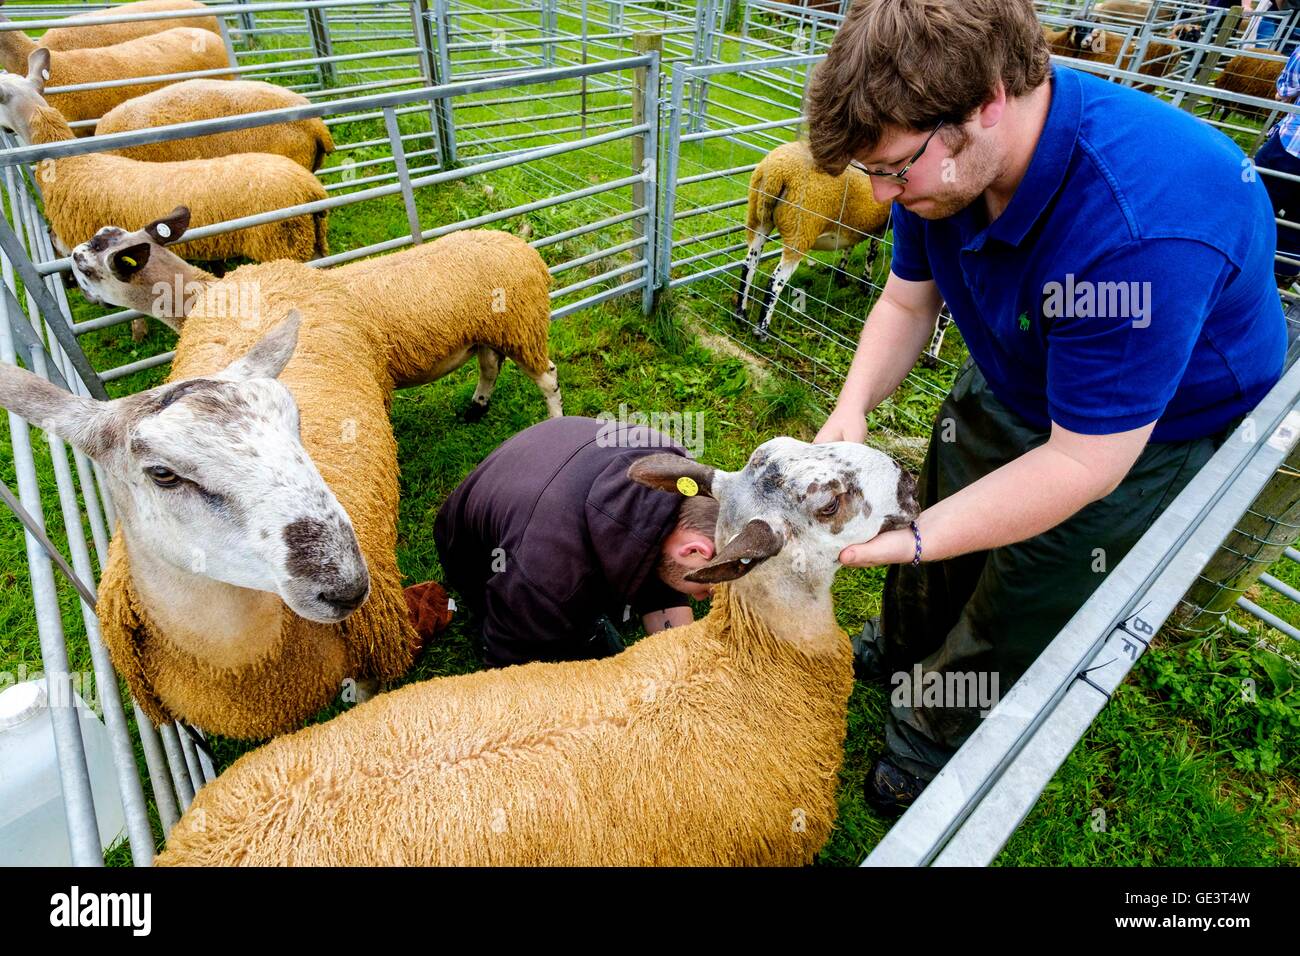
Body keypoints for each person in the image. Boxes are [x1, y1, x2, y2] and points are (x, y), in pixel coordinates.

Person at [804, 0, 1287, 814]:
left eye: (896, 168)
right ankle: (900, 650)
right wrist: (851, 410)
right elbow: (906, 303)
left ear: (987, 101)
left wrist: (915, 538)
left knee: (1028, 586)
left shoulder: (1139, 229)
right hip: (1016, 364)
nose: (883, 195)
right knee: (946, 523)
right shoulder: (940, 174)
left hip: (1140, 426)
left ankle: (927, 738)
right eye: (872, 172)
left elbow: (1082, 461)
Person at [433, 416, 717, 667]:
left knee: (669, 562)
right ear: (695, 549)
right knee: (558, 648)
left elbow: (660, 543)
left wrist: (684, 663)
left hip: (551, 448)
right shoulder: (550, 575)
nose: (703, 597)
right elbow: (506, 668)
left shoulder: (674, 468)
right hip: (473, 553)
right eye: (708, 587)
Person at [1255, 41, 1300, 288]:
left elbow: (1283, 92)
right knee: (1296, 226)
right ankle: (1279, 283)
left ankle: (1241, 269)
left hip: (1291, 149)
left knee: (1257, 202)